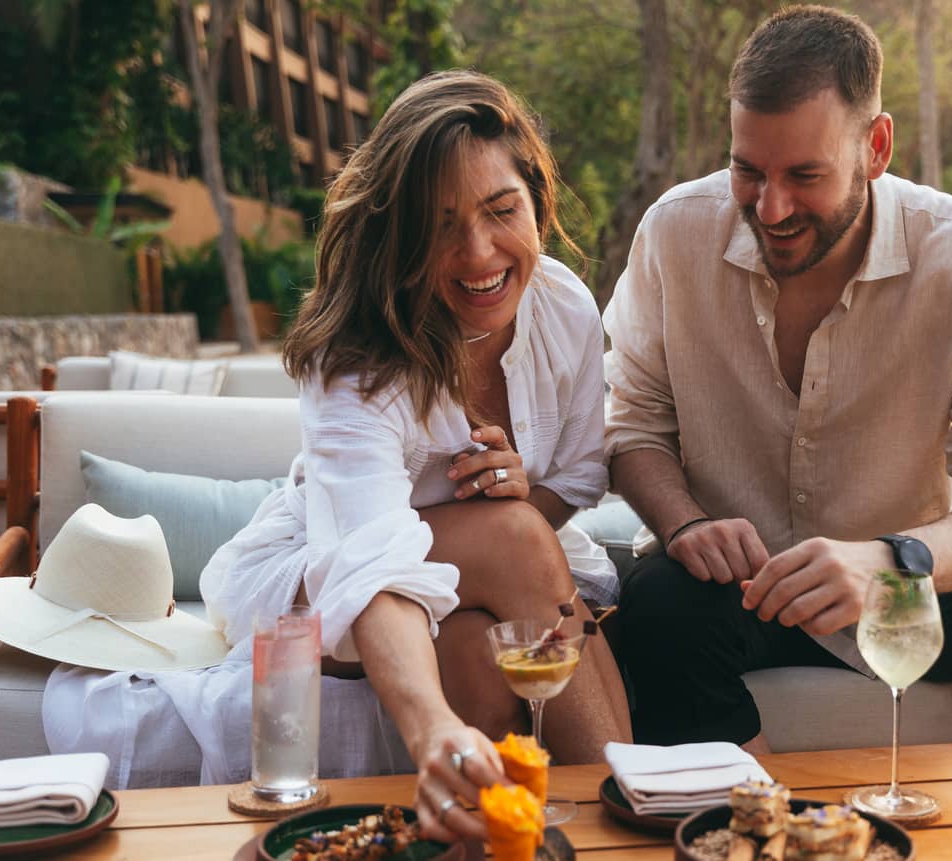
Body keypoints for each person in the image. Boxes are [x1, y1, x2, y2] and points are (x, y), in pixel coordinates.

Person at [46, 71, 631, 842]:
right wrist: (426, 729)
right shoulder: (359, 357)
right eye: (440, 223)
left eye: (502, 210)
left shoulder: (564, 308)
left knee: (484, 654)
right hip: (328, 578)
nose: (479, 251)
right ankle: (627, 819)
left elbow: (578, 478)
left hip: (483, 592)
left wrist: (522, 490)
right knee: (516, 537)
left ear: (537, 201)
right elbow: (369, 562)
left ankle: (511, 833)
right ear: (398, 231)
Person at [602, 5, 952, 793]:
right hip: (735, 598)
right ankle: (773, 831)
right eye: (749, 170)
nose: (769, 208)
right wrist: (685, 522)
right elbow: (629, 422)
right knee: (656, 606)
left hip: (910, 601)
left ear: (875, 147)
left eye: (804, 175)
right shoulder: (673, 233)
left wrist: (894, 565)